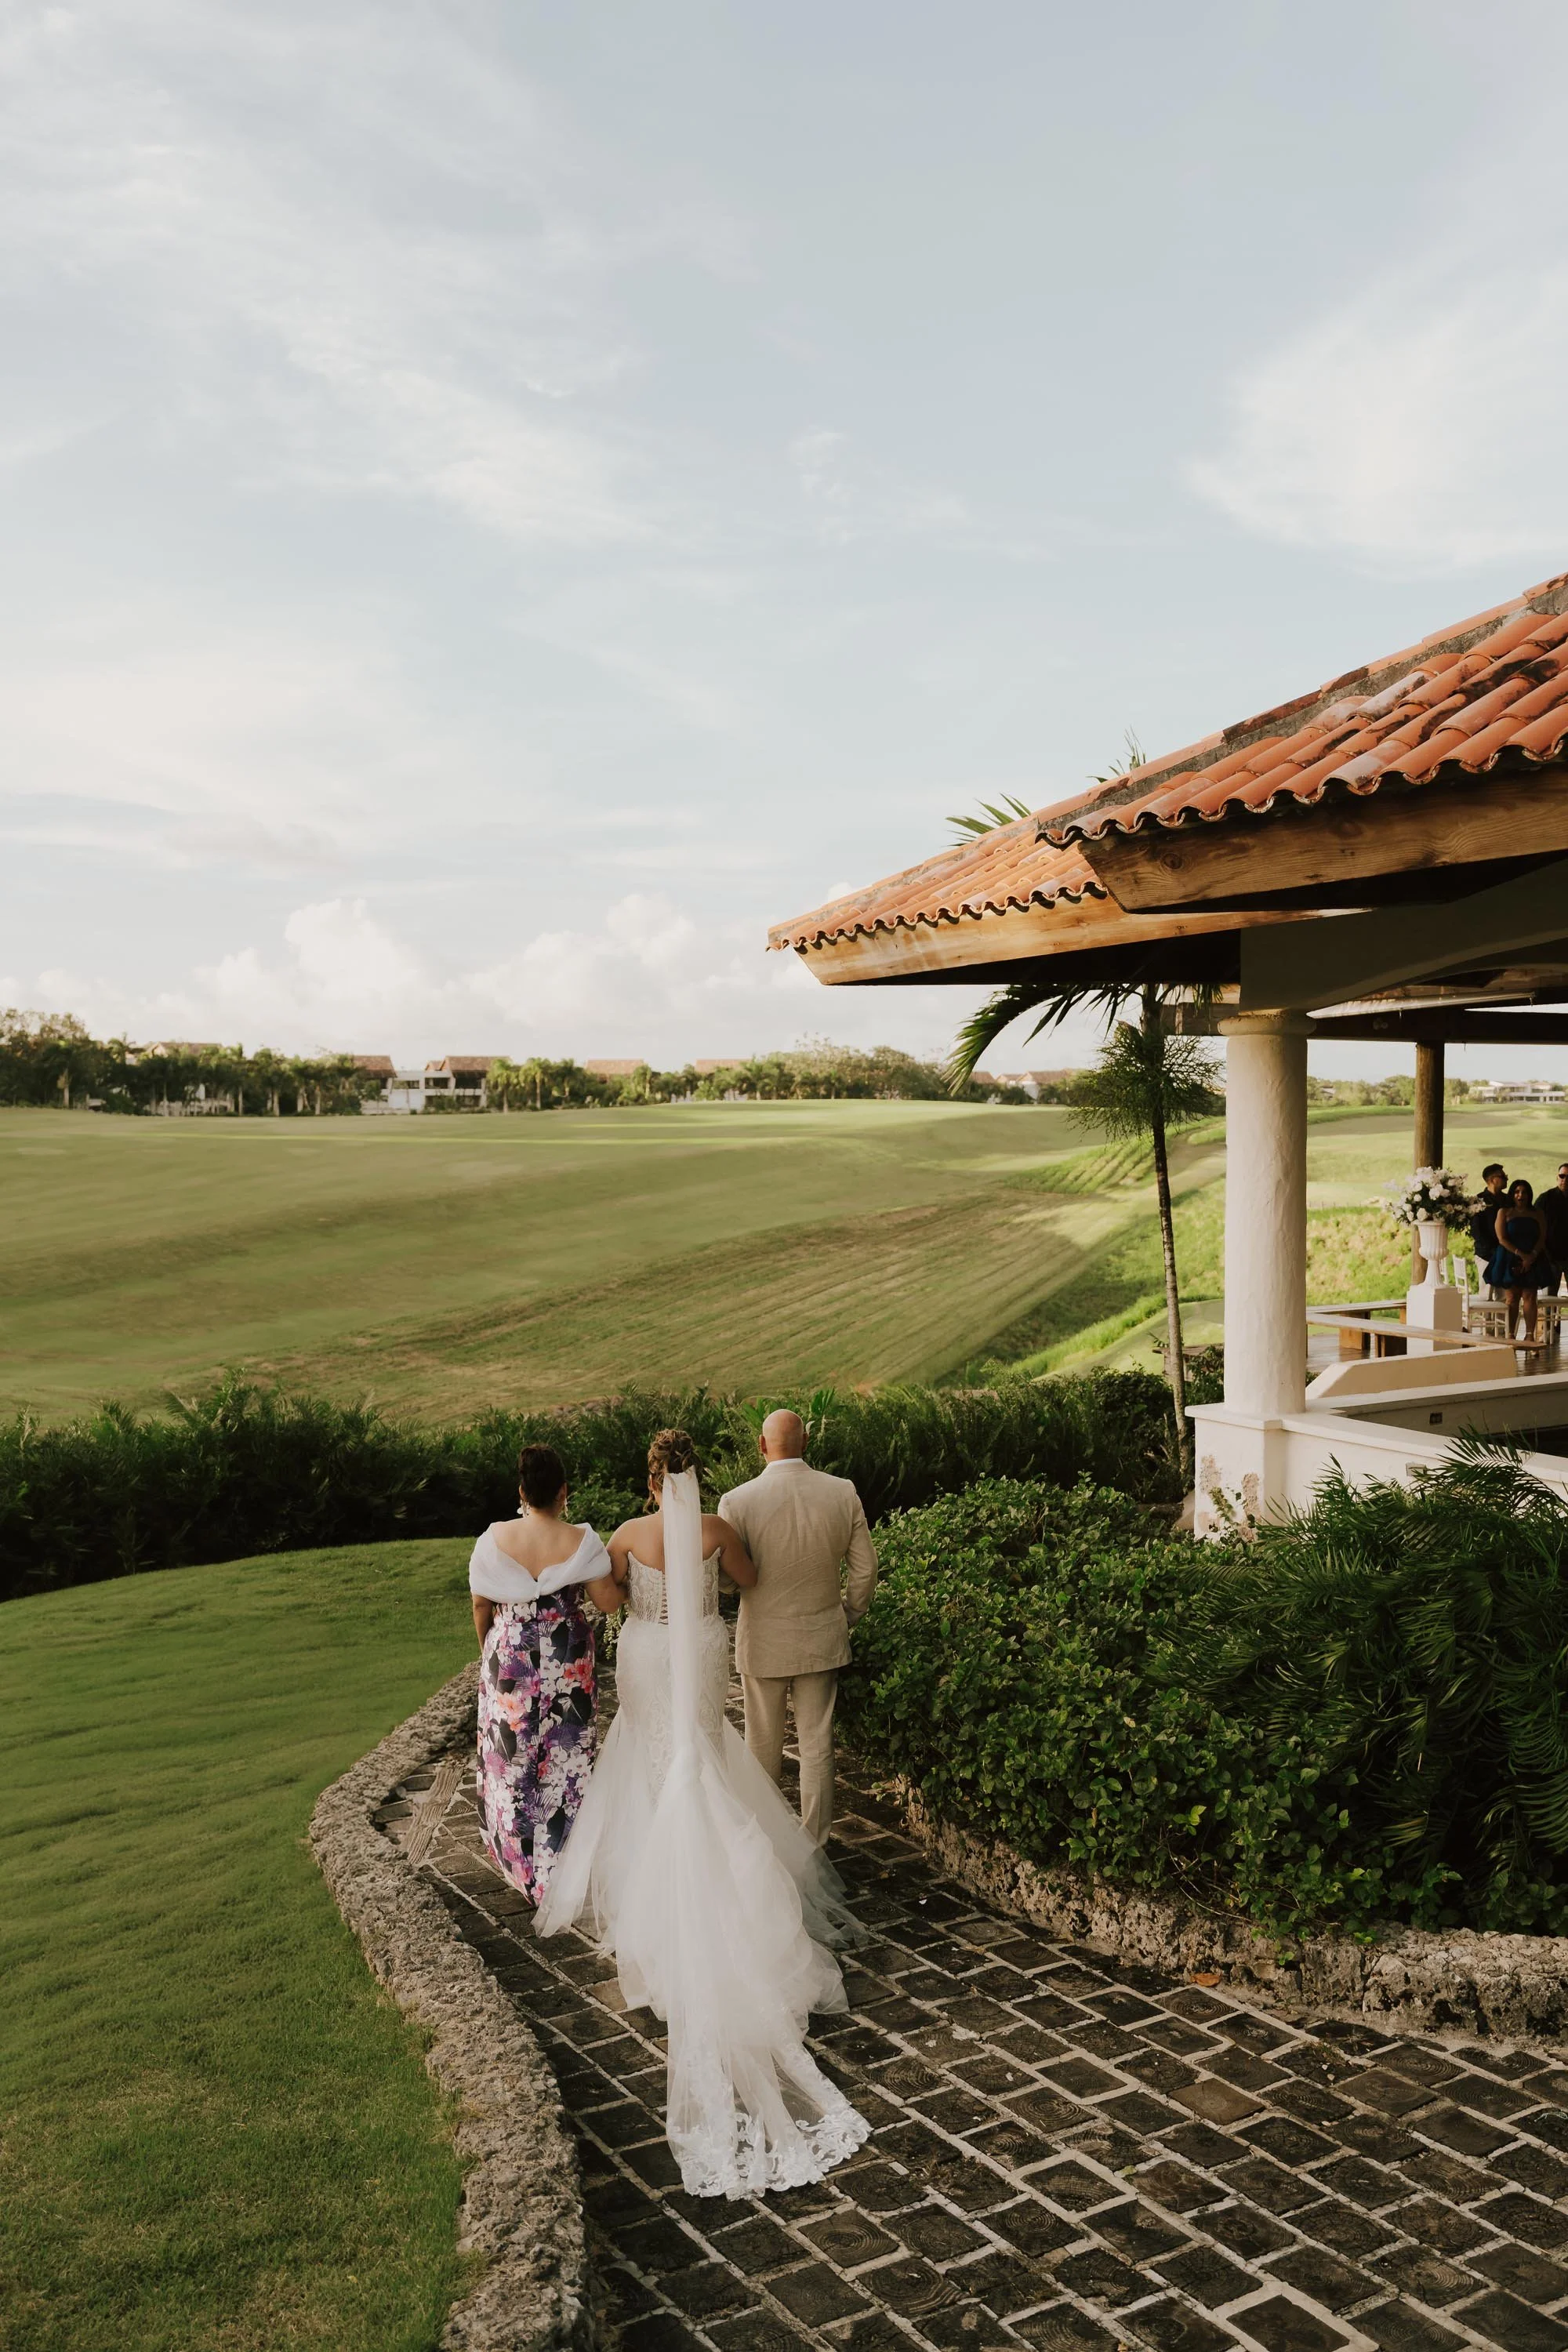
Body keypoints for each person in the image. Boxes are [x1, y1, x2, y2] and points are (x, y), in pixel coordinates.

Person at [537, 1428, 869, 2198]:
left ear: (649, 1480)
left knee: (657, 1763)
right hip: (701, 1648)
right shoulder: (718, 1531)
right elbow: (745, 1580)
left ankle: (658, 1881)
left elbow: (610, 1598)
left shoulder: (623, 1535)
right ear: (696, 1477)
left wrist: (609, 1575)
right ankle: (718, 1869)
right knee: (703, 1753)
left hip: (649, 1652)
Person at [718, 1409, 878, 1849]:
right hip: (822, 1636)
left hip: (764, 1639)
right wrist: (847, 1613)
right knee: (817, 1745)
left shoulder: (737, 1501)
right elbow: (865, 1569)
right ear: (806, 1441)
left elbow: (727, 1577)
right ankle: (815, 1842)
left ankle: (764, 1843)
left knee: (761, 1749)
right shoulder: (841, 1492)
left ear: (761, 1445)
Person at [469, 1443, 619, 1904]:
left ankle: (521, 1862)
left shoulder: (492, 1539)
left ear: (521, 1491)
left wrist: (491, 1649)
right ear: (563, 1492)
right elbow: (608, 1602)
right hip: (566, 1656)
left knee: (511, 1756)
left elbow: (480, 1604)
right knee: (566, 1756)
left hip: (509, 1656)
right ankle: (562, 1862)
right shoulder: (582, 1540)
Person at [1488, 1178, 1550, 1341]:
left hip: (1533, 1257)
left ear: (1529, 1195)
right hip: (1510, 1257)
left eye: (1524, 1192)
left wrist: (1532, 1257)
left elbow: (1543, 1237)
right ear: (1512, 1194)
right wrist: (1522, 1256)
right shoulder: (1504, 1212)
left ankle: (1530, 1336)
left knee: (1530, 1296)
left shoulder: (1538, 1213)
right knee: (1512, 1298)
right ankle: (1511, 1335)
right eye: (1517, 1192)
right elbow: (1502, 1238)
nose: (1520, 1195)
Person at [1469, 1164, 1508, 1293]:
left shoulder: (1508, 1200)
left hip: (1506, 1254)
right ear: (1492, 1180)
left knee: (1502, 1297)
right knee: (1486, 1296)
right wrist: (1492, 1251)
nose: (1506, 1179)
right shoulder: (1478, 1200)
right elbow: (1477, 1231)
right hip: (1485, 1255)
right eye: (1503, 1176)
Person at [1540, 1163, 1568, 1297]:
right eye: (1562, 1176)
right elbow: (1535, 1223)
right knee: (1550, 1297)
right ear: (1557, 1177)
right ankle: (1548, 1319)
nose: (1565, 1180)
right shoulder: (1546, 1198)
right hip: (1550, 1256)